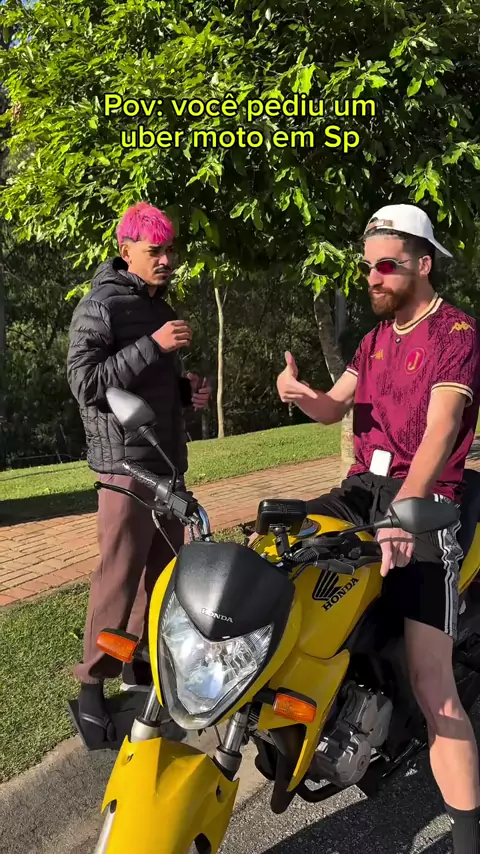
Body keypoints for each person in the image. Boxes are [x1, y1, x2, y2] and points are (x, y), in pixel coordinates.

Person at [275, 204, 480, 854]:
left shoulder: (456, 332)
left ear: (423, 264)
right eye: (367, 267)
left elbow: (442, 429)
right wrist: (299, 394)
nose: (372, 277)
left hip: (428, 498)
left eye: (386, 265)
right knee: (277, 546)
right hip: (362, 490)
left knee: (432, 682)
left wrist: (408, 507)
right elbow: (332, 406)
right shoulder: (372, 341)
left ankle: (467, 835)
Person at [67, 201, 211, 746]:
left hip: (166, 465)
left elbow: (144, 385)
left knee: (162, 580)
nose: (167, 260)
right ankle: (90, 694)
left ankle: (142, 670)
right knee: (117, 583)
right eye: (156, 251)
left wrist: (185, 393)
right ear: (126, 250)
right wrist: (153, 345)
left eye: (170, 250)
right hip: (124, 471)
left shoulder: (157, 306)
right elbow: (85, 384)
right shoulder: (100, 306)